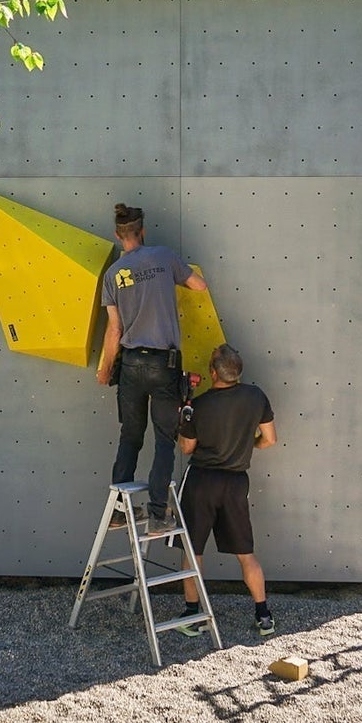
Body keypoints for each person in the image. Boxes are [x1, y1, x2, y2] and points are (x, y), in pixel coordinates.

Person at [95, 202, 208, 525]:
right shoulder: (164, 256)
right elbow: (199, 286)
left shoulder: (113, 275)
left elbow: (114, 329)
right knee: (163, 439)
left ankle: (118, 512)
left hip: (130, 365)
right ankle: (159, 514)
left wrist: (105, 369)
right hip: (164, 365)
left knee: (130, 436)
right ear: (142, 231)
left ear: (118, 236)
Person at [171, 343, 277, 638]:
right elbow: (269, 439)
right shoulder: (256, 397)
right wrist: (248, 446)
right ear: (238, 373)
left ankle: (194, 615)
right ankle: (263, 615)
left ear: (212, 372)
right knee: (246, 553)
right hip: (235, 482)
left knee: (193, 551)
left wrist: (184, 420)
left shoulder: (200, 405)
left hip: (201, 482)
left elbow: (187, 447)